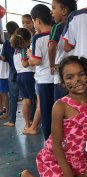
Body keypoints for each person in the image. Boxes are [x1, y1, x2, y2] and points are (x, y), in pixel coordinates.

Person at [20, 55, 87, 177]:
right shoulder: (60, 106)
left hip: (78, 157)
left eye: (82, 74)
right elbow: (56, 144)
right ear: (64, 83)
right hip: (56, 158)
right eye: (70, 77)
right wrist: (67, 173)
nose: (77, 80)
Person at [27, 4, 53, 140]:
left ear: (37, 20)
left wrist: (30, 54)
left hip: (44, 80)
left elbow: (36, 61)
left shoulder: (37, 38)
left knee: (46, 112)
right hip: (58, 80)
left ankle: (49, 143)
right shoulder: (57, 33)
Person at [49, 0, 77, 101]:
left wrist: (52, 64)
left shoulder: (58, 27)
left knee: (61, 105)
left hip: (61, 73)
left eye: (53, 8)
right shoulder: (77, 26)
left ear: (64, 10)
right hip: (76, 72)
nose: (51, 12)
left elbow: (51, 47)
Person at [10, 28, 36, 131]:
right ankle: (35, 122)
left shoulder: (15, 51)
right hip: (28, 75)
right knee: (35, 99)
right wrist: (33, 60)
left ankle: (27, 124)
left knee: (25, 100)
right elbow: (25, 64)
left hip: (19, 76)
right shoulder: (24, 49)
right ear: (28, 39)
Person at [0, 21, 19, 126]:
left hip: (12, 72)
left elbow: (4, 58)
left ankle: (11, 120)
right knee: (29, 97)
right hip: (26, 71)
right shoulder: (22, 39)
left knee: (13, 97)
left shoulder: (7, 43)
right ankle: (31, 119)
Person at [0, 40, 9, 116]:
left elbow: (5, 59)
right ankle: (1, 109)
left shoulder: (3, 46)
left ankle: (7, 112)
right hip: (2, 74)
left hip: (3, 74)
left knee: (4, 93)